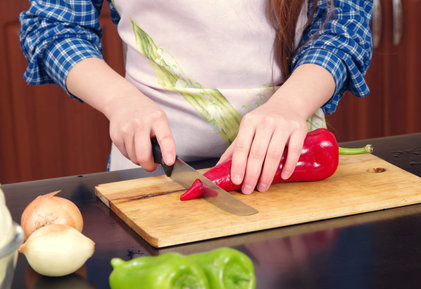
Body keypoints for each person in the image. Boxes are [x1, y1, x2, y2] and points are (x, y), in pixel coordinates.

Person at [19, 0, 373, 195]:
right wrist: (120, 101)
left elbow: (343, 26)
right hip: (153, 169)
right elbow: (54, 25)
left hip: (290, 163)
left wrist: (291, 104)